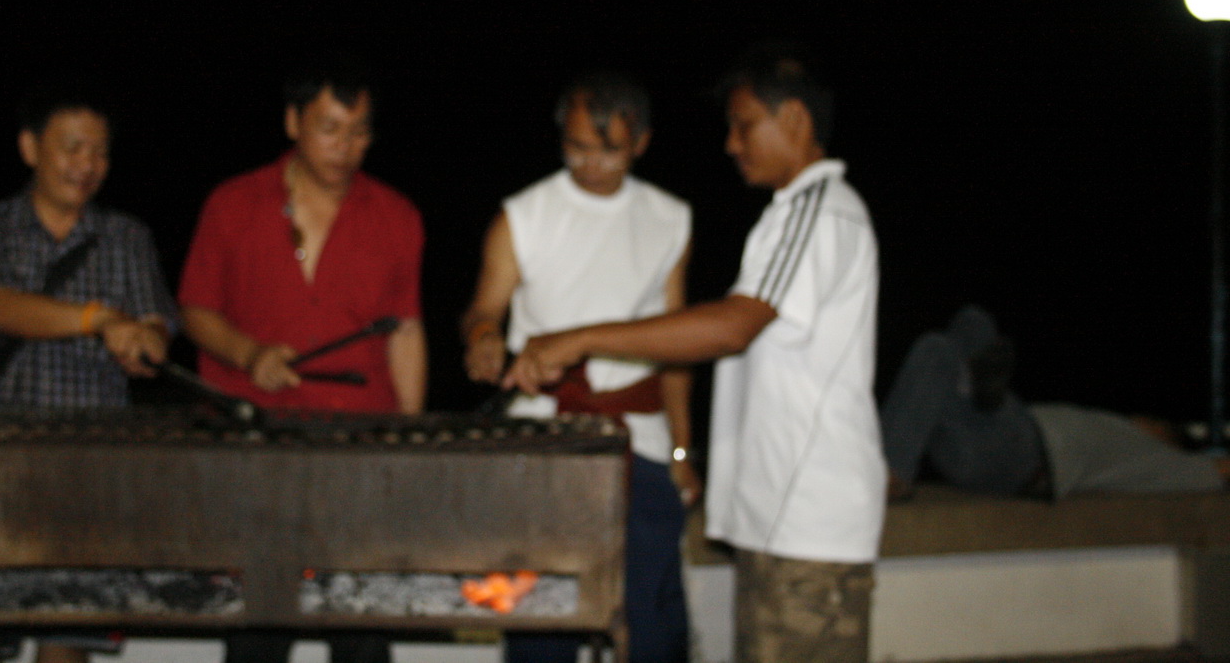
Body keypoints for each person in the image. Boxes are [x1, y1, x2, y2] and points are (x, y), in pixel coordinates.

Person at [507, 45, 885, 663]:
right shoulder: (790, 215)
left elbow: (731, 328)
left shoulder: (817, 211)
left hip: (809, 520)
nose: (731, 144)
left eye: (744, 126)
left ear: (793, 119)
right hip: (782, 519)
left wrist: (580, 339)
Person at [179, 60, 426, 663]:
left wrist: (408, 437)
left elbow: (405, 330)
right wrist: (250, 354)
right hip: (255, 450)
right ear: (292, 123)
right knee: (257, 635)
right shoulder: (233, 203)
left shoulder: (397, 216)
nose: (346, 147)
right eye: (330, 128)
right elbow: (195, 311)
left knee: (362, 635)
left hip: (358, 452)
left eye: (360, 132)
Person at [462, 72, 698, 663]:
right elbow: (483, 310)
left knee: (651, 620)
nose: (590, 164)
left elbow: (676, 347)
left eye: (608, 150)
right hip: (541, 438)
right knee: (542, 620)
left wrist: (681, 450)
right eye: (576, 148)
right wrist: (485, 338)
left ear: (640, 142)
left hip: (637, 440)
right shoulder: (524, 214)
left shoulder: (670, 218)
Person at [0, 85, 179, 663]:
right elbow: (1, 310)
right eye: (72, 147)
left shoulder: (128, 237)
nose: (87, 165)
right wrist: (99, 319)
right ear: (30, 148)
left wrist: (143, 345)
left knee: (68, 638)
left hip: (92, 467)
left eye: (100, 152)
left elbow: (155, 326)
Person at [883, 304, 1230, 501]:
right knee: (972, 321)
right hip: (983, 441)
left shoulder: (1156, 460)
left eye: (1157, 424)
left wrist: (1202, 459)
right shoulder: (1116, 429)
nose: (1145, 420)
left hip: (1024, 455)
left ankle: (891, 472)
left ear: (1166, 438)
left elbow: (1217, 470)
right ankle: (980, 385)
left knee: (936, 349)